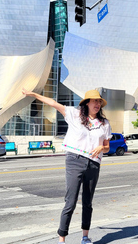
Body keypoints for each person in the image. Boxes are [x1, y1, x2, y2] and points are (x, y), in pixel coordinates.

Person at [21, 88, 111, 244]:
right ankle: (61, 239)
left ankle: (85, 237)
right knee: (71, 201)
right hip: (74, 160)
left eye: (99, 101)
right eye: (94, 101)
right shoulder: (74, 114)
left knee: (88, 202)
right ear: (87, 103)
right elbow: (52, 103)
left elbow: (107, 146)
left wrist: (101, 148)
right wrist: (33, 95)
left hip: (94, 163)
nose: (97, 104)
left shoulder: (104, 123)